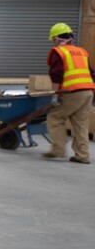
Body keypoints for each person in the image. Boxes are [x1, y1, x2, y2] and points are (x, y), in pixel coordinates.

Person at [42, 22, 94, 164]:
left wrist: (55, 93)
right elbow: (91, 73)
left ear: (58, 39)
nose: (53, 43)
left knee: (55, 117)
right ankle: (82, 155)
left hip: (72, 92)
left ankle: (58, 149)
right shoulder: (82, 52)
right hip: (88, 91)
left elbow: (56, 74)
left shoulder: (58, 52)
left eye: (54, 39)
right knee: (81, 124)